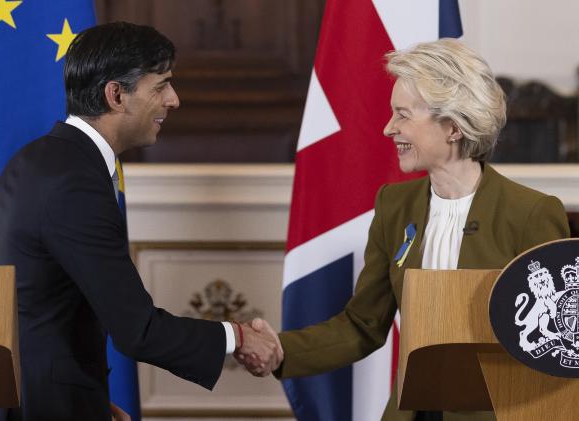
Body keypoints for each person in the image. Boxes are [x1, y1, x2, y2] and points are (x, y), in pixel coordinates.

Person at [0, 22, 280, 421]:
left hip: (26, 398)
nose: (174, 100)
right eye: (161, 86)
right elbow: (138, 330)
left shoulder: (41, 160)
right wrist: (239, 335)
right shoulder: (75, 182)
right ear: (116, 95)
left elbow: (44, 307)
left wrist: (89, 402)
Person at [239, 39, 570, 421]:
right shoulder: (394, 206)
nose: (387, 128)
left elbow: (556, 343)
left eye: (402, 115)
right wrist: (280, 349)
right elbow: (363, 325)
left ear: (452, 126)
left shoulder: (530, 213)